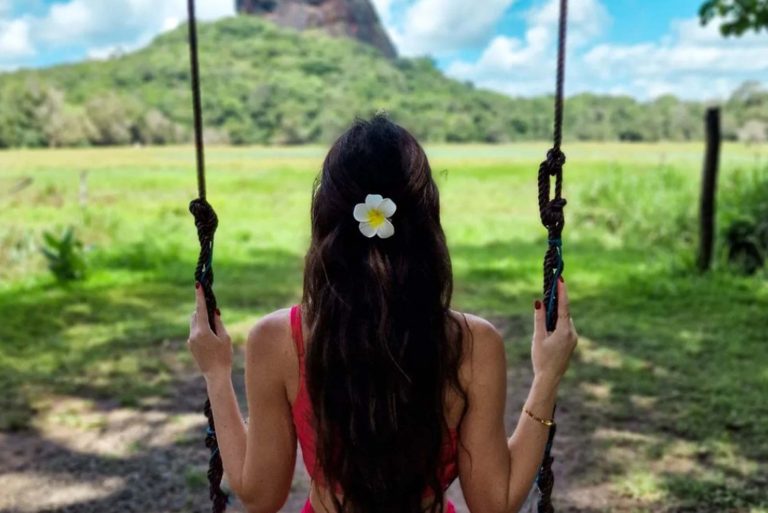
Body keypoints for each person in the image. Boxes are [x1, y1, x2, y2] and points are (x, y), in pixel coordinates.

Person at [187, 114, 578, 513]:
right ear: (426, 223)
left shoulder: (277, 339)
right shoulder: (473, 343)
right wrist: (546, 377)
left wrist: (217, 374)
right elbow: (494, 503)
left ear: (325, 218)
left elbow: (259, 495)